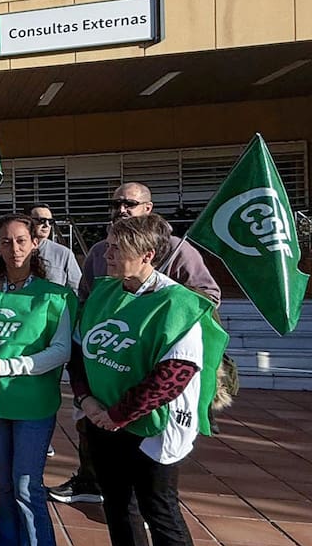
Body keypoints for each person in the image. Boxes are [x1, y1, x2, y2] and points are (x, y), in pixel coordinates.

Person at [73, 214, 223, 546]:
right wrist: (87, 401)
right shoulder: (104, 292)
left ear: (148, 257)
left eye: (118, 249)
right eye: (108, 245)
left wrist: (118, 413)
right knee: (116, 501)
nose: (107, 254)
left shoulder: (177, 304)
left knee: (161, 511)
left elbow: (175, 373)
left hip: (153, 425)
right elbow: (82, 351)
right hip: (103, 417)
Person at [49, 182, 220, 506]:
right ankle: (89, 479)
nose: (121, 210)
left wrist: (157, 305)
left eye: (129, 203)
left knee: (156, 503)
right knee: (97, 446)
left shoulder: (179, 249)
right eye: (115, 205)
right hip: (106, 365)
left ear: (148, 208)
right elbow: (88, 297)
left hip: (147, 376)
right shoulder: (101, 251)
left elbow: (207, 298)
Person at [0, 215, 75, 546]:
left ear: (35, 243)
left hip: (32, 404)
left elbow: (60, 350)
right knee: (1, 488)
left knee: (27, 486)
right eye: (4, 241)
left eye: (20, 241)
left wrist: (11, 366)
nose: (13, 248)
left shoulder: (56, 295)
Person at [26, 204, 79, 292]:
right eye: (41, 220)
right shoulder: (13, 251)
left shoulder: (63, 254)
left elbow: (76, 289)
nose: (46, 225)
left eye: (50, 221)